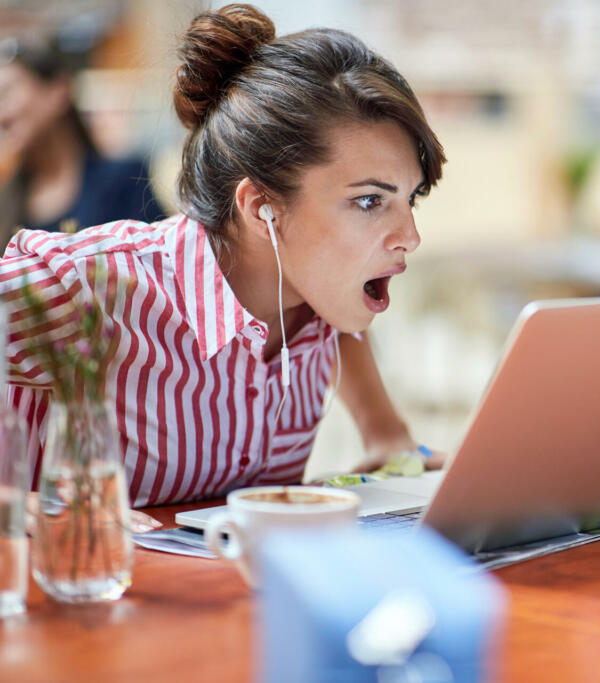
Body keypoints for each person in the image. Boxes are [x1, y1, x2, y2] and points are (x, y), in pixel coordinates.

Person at [0, 4, 447, 522]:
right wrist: (21, 509)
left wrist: (385, 432)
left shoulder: (317, 296)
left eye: (409, 199)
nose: (410, 238)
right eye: (369, 201)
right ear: (262, 208)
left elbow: (344, 329)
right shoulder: (94, 285)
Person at [0, 30, 162, 244]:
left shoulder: (123, 180)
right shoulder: (6, 201)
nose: (2, 115)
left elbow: (159, 262)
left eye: (6, 93)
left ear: (58, 90)